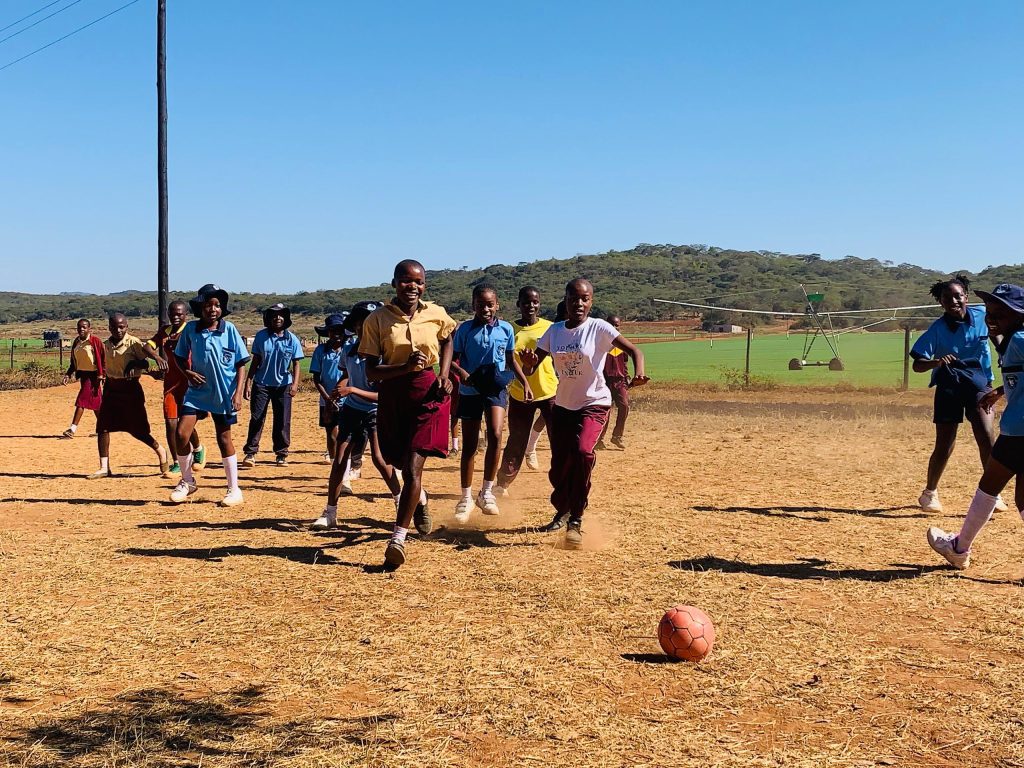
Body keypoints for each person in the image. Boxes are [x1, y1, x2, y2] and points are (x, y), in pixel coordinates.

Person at [521, 279, 648, 547]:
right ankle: (563, 509)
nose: (579, 303)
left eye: (585, 298)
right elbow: (532, 367)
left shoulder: (599, 328)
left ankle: (576, 519)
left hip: (595, 403)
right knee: (559, 467)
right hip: (564, 406)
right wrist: (529, 364)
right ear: (566, 300)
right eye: (573, 298)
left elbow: (634, 350)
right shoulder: (555, 332)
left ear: (591, 301)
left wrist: (638, 374)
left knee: (582, 453)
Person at [360, 259, 456, 569]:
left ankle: (397, 539)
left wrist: (444, 374)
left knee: (414, 467)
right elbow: (372, 372)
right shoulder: (377, 319)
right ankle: (421, 499)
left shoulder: (436, 313)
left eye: (418, 281)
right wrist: (404, 366)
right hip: (394, 394)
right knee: (400, 463)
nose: (412, 286)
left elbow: (448, 339)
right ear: (394, 283)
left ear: (424, 285)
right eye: (405, 280)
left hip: (428, 394)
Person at [927, 283, 1024, 568]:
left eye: (1000, 314)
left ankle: (959, 549)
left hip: (1018, 431)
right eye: (990, 313)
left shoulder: (1019, 340)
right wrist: (1001, 391)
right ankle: (959, 547)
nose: (991, 319)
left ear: (1019, 315)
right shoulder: (1013, 339)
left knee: (989, 487)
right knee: (1021, 498)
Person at [910, 274, 1005, 513]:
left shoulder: (982, 316)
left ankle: (993, 494)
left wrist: (1004, 350)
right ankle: (930, 493)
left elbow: (997, 335)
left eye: (957, 296)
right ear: (940, 302)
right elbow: (917, 364)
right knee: (945, 443)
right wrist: (936, 362)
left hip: (979, 385)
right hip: (949, 387)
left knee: (986, 435)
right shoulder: (937, 329)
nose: (953, 301)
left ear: (966, 297)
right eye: (947, 298)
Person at [313, 301, 402, 529]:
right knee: (340, 459)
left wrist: (352, 390)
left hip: (376, 411)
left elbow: (383, 395)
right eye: (362, 322)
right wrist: (337, 392)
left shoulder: (385, 353)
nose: (367, 327)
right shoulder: (349, 350)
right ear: (354, 326)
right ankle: (330, 512)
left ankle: (401, 502)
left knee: (380, 459)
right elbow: (346, 374)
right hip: (352, 409)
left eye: (372, 322)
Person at [451, 285, 530, 521]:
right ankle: (465, 497)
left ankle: (486, 492)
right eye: (480, 304)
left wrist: (524, 381)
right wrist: (462, 374)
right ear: (473, 305)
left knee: (495, 434)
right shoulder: (464, 330)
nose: (485, 309)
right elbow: (452, 359)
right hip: (470, 390)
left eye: (489, 304)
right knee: (470, 444)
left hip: (495, 389)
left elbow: (510, 359)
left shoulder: (506, 329)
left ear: (497, 305)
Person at [168, 284, 251, 507]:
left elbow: (241, 363)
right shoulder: (191, 329)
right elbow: (178, 356)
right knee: (181, 434)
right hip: (197, 391)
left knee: (224, 438)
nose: (213, 309)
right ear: (200, 308)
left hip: (223, 393)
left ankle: (234, 489)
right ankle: (187, 481)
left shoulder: (229, 329)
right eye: (208, 305)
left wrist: (238, 393)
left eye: (217, 305)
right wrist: (187, 372)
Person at [88, 313, 169, 479]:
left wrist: (134, 363)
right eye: (114, 327)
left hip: (130, 389)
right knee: (103, 427)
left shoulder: (133, 343)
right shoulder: (106, 345)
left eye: (121, 327)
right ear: (109, 328)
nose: (118, 330)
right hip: (111, 388)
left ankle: (160, 450)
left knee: (137, 430)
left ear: (127, 327)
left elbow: (145, 362)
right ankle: (104, 467)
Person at [496, 286, 557, 495]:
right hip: (520, 393)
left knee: (558, 439)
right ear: (518, 304)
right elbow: (505, 359)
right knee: (516, 440)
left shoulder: (550, 328)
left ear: (539, 304)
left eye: (535, 302)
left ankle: (563, 483)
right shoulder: (509, 329)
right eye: (526, 302)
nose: (531, 305)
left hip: (549, 391)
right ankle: (502, 484)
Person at [148, 300, 206, 477]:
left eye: (179, 314)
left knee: (184, 423)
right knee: (170, 423)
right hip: (171, 383)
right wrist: (158, 358)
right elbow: (147, 346)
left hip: (189, 382)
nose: (175, 317)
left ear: (186, 315)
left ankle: (198, 448)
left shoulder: (191, 330)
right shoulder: (165, 331)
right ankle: (177, 463)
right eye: (172, 314)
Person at [242, 303, 304, 467]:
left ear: (286, 318)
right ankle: (250, 452)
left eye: (281, 315)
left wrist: (295, 384)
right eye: (274, 315)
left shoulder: (292, 339)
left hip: (283, 385)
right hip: (261, 384)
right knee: (257, 417)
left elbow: (296, 364)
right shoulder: (261, 336)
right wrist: (248, 382)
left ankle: (281, 453)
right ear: (268, 318)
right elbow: (255, 361)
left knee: (282, 420)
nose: (278, 318)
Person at [310, 313, 348, 463]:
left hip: (348, 398)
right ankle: (334, 460)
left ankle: (348, 460)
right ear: (328, 332)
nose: (337, 334)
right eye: (333, 330)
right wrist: (328, 399)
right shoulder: (320, 351)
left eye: (340, 330)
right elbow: (316, 378)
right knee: (331, 432)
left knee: (347, 432)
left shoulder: (349, 350)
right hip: (326, 399)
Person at [60, 318, 105, 439]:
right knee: (96, 404)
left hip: (94, 376)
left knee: (81, 400)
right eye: (79, 327)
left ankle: (72, 429)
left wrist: (103, 375)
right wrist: (68, 374)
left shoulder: (95, 341)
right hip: (83, 376)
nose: (81, 329)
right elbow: (73, 362)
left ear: (89, 328)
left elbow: (103, 358)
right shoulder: (77, 342)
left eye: (84, 327)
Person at [596, 315, 632, 450]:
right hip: (604, 381)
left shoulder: (623, 344)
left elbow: (625, 362)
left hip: (620, 381)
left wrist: (627, 376)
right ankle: (599, 439)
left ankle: (617, 436)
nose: (615, 327)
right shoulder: (600, 343)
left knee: (624, 406)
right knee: (605, 410)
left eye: (617, 325)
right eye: (612, 324)